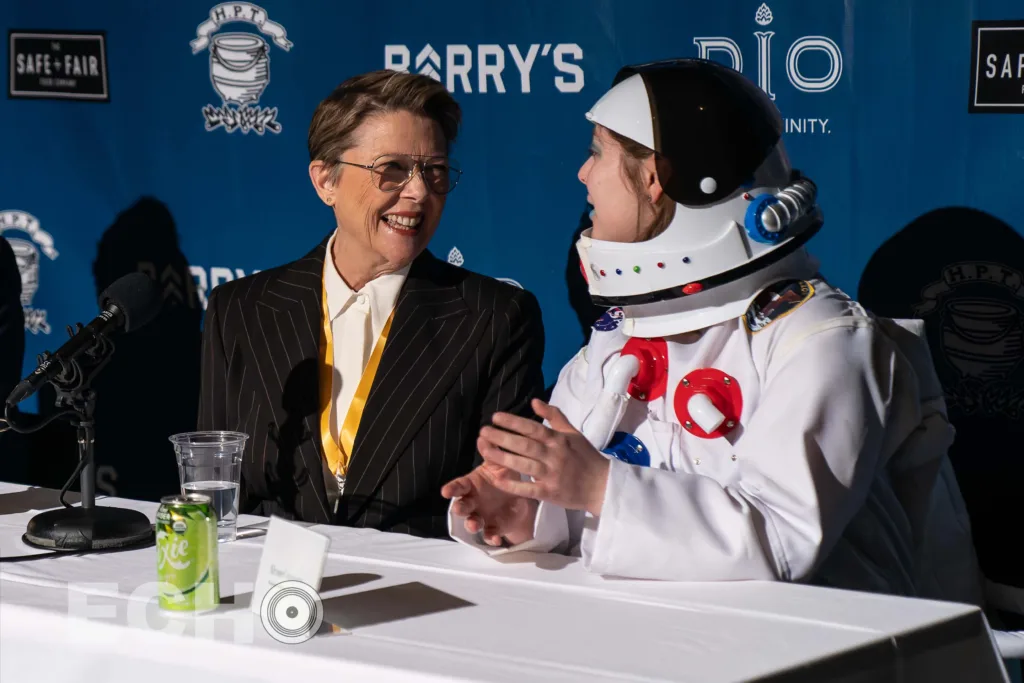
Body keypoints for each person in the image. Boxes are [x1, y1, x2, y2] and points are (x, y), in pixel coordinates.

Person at [443, 58, 983, 605]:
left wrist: (599, 485)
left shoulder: (821, 341)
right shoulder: (619, 337)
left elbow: (782, 543)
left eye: (597, 153)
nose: (583, 174)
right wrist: (528, 509)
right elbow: (603, 523)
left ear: (654, 177)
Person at [198, 70, 546, 536]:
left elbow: (503, 502)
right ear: (326, 181)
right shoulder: (240, 310)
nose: (419, 192)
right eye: (393, 169)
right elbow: (217, 488)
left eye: (434, 171)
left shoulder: (496, 318)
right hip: (271, 594)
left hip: (425, 598)